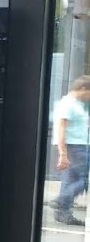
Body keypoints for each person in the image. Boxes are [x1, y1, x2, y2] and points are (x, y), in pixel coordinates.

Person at [52, 76, 90, 225]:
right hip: (75, 147)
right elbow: (61, 128)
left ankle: (63, 213)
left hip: (77, 146)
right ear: (83, 89)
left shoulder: (74, 104)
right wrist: (63, 154)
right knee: (84, 180)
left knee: (70, 180)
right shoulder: (68, 104)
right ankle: (62, 200)